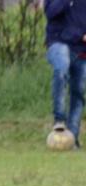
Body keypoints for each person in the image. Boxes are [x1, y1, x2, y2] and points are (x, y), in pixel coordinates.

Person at [44, 0, 86, 146]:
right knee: (61, 69)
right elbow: (50, 12)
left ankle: (72, 137)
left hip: (81, 49)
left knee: (79, 92)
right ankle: (59, 119)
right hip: (58, 43)